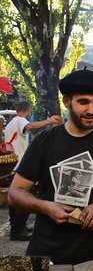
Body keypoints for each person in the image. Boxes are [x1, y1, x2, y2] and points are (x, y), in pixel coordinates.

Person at [8, 69, 93, 265]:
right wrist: (46, 207)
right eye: (83, 102)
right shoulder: (44, 141)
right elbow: (15, 193)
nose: (92, 110)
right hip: (46, 253)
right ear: (67, 102)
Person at [4, 101, 62, 241]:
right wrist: (48, 121)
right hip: (19, 165)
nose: (30, 114)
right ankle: (18, 230)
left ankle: (16, 226)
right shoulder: (20, 120)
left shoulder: (11, 123)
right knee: (25, 197)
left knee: (14, 196)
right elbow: (29, 126)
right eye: (29, 112)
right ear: (27, 110)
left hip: (12, 164)